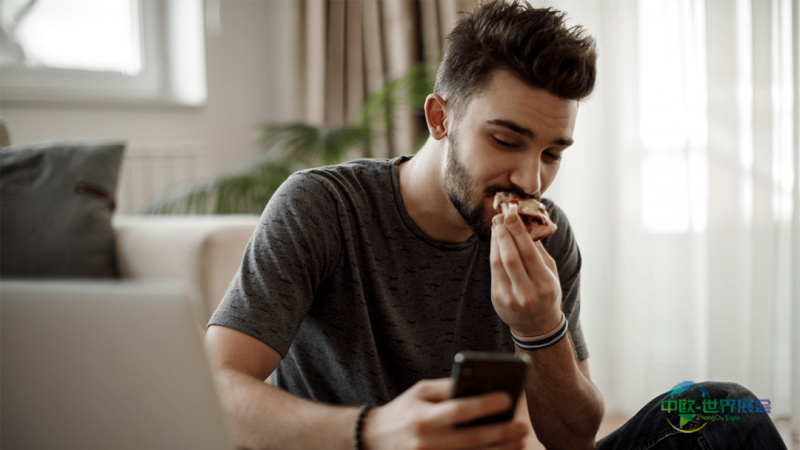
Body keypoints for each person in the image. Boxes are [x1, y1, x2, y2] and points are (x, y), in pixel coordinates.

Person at [204, 2, 787, 449]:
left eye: (554, 153)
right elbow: (214, 389)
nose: (531, 180)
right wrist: (375, 430)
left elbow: (571, 438)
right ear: (440, 118)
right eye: (506, 141)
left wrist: (541, 328)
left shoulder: (549, 234)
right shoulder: (324, 207)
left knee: (727, 409)